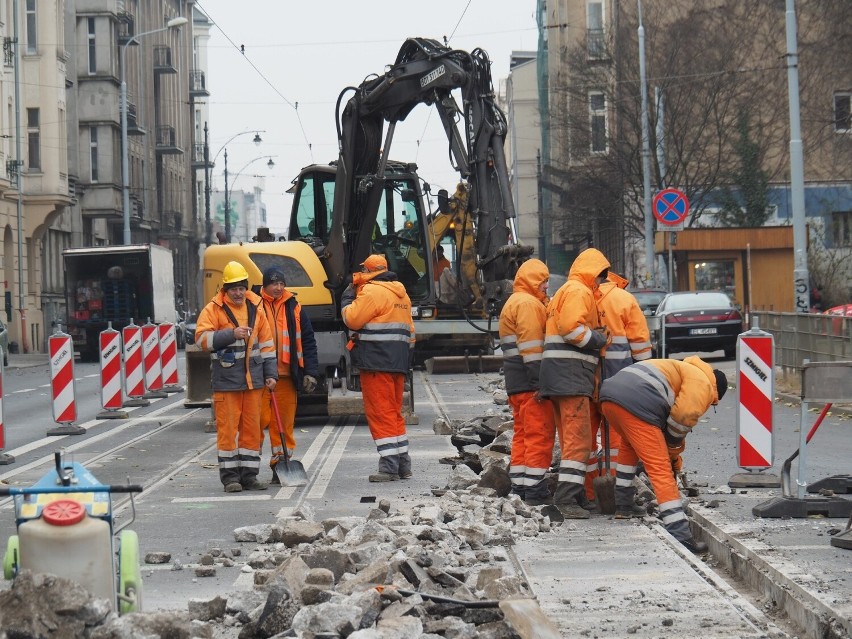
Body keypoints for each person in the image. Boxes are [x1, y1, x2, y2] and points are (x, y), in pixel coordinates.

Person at [599, 356, 728, 554]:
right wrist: (671, 452)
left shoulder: (683, 368)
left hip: (610, 397)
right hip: (637, 402)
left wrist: (673, 448)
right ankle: (680, 535)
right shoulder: (703, 383)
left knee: (628, 446)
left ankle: (623, 505)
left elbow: (674, 422)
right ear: (716, 390)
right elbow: (682, 419)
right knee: (660, 468)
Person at [539, 248, 610, 519]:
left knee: (571, 440)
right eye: (601, 278)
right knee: (578, 442)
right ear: (594, 274)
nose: (601, 284)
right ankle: (567, 499)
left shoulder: (565, 292)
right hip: (570, 376)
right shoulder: (579, 291)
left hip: (559, 376)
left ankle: (577, 495)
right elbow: (571, 329)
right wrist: (597, 339)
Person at [195, 261, 278, 493]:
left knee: (252, 430)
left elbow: (268, 346)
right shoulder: (213, 309)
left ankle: (249, 476)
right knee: (228, 431)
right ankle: (231, 478)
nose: (238, 292)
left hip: (254, 382)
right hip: (227, 382)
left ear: (246, 287)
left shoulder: (257, 308)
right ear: (226, 289)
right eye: (233, 288)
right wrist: (230, 334)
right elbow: (201, 339)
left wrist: (271, 374)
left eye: (241, 287)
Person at [341, 254, 415, 482]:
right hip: (398, 362)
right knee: (394, 413)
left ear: (368, 270)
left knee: (380, 413)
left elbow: (352, 319)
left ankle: (389, 468)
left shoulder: (372, 291)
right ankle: (403, 465)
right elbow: (410, 335)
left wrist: (345, 301)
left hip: (376, 361)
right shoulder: (402, 294)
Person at [585, 272, 652, 510]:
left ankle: (590, 493)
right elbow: (641, 347)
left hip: (586, 383)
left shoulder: (582, 296)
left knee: (587, 439)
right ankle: (615, 492)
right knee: (617, 440)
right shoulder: (624, 299)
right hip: (621, 385)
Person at [499, 258, 556, 506]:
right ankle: (535, 490)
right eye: (543, 281)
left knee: (522, 435)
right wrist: (541, 385)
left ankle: (520, 486)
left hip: (516, 382)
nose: (546, 286)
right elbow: (532, 349)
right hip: (530, 382)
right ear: (534, 281)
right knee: (539, 435)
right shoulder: (528, 304)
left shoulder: (515, 301)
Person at [258, 267, 320, 484]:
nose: (278, 288)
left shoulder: (294, 307)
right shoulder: (255, 305)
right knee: (258, 421)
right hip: (260, 376)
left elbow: (308, 341)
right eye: (274, 284)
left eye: (281, 284)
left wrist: (310, 372)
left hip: (285, 376)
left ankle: (280, 463)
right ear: (264, 286)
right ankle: (248, 466)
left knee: (283, 424)